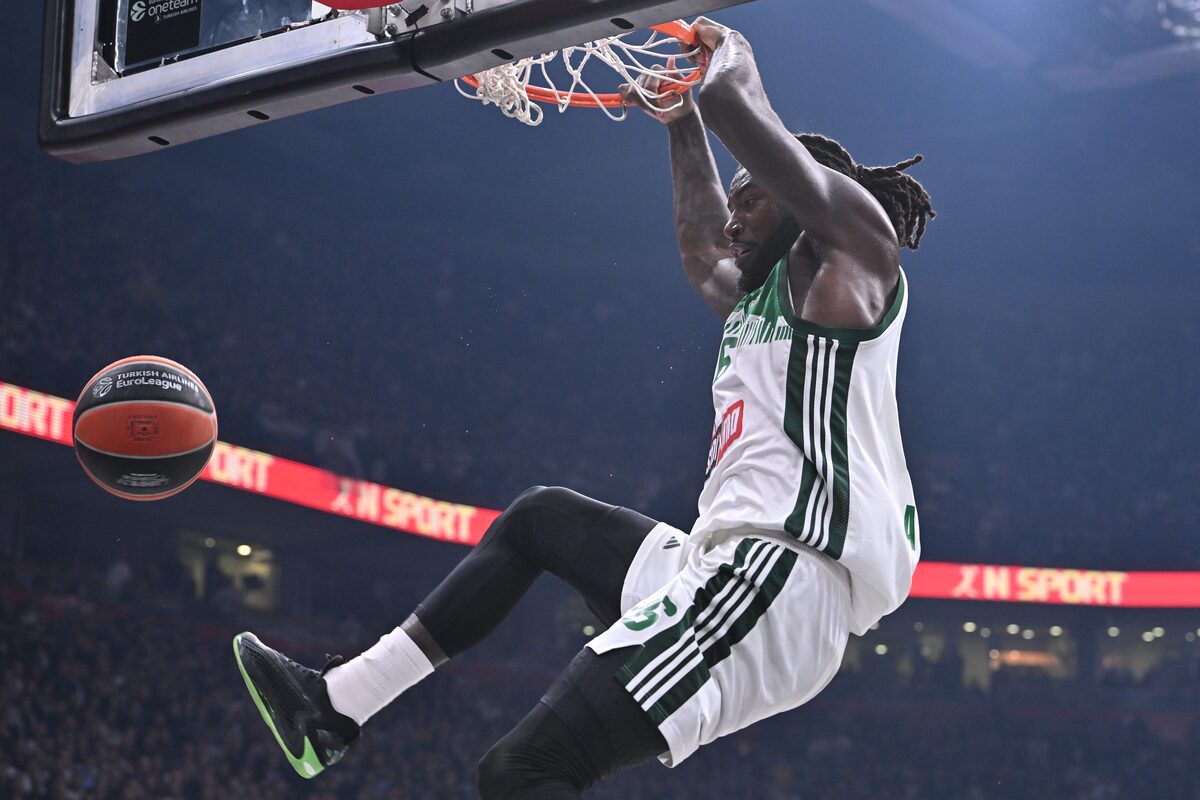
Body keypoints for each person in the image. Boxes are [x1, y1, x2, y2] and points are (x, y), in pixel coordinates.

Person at [232, 17, 935, 796]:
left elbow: (741, 103)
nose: (732, 220)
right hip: (723, 561)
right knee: (540, 520)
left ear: (803, 195)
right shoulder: (759, 291)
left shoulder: (855, 254)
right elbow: (704, 253)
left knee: (521, 771)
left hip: (777, 575)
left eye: (751, 200)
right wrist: (680, 123)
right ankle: (335, 706)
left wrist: (727, 52)